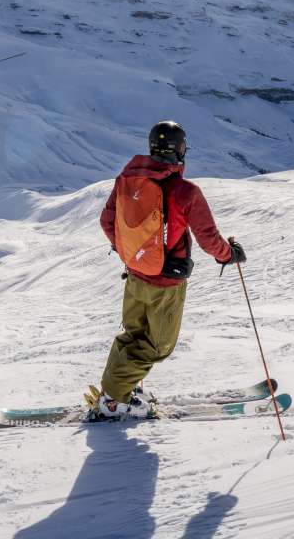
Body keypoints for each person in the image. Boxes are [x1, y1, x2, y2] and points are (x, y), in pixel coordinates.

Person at [88, 120, 246, 420]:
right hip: (165, 284)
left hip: (135, 275)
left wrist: (132, 252)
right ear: (181, 151)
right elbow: (209, 239)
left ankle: (124, 390)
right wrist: (229, 256)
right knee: (157, 346)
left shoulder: (127, 180)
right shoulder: (185, 192)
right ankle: (113, 399)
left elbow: (107, 222)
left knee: (134, 335)